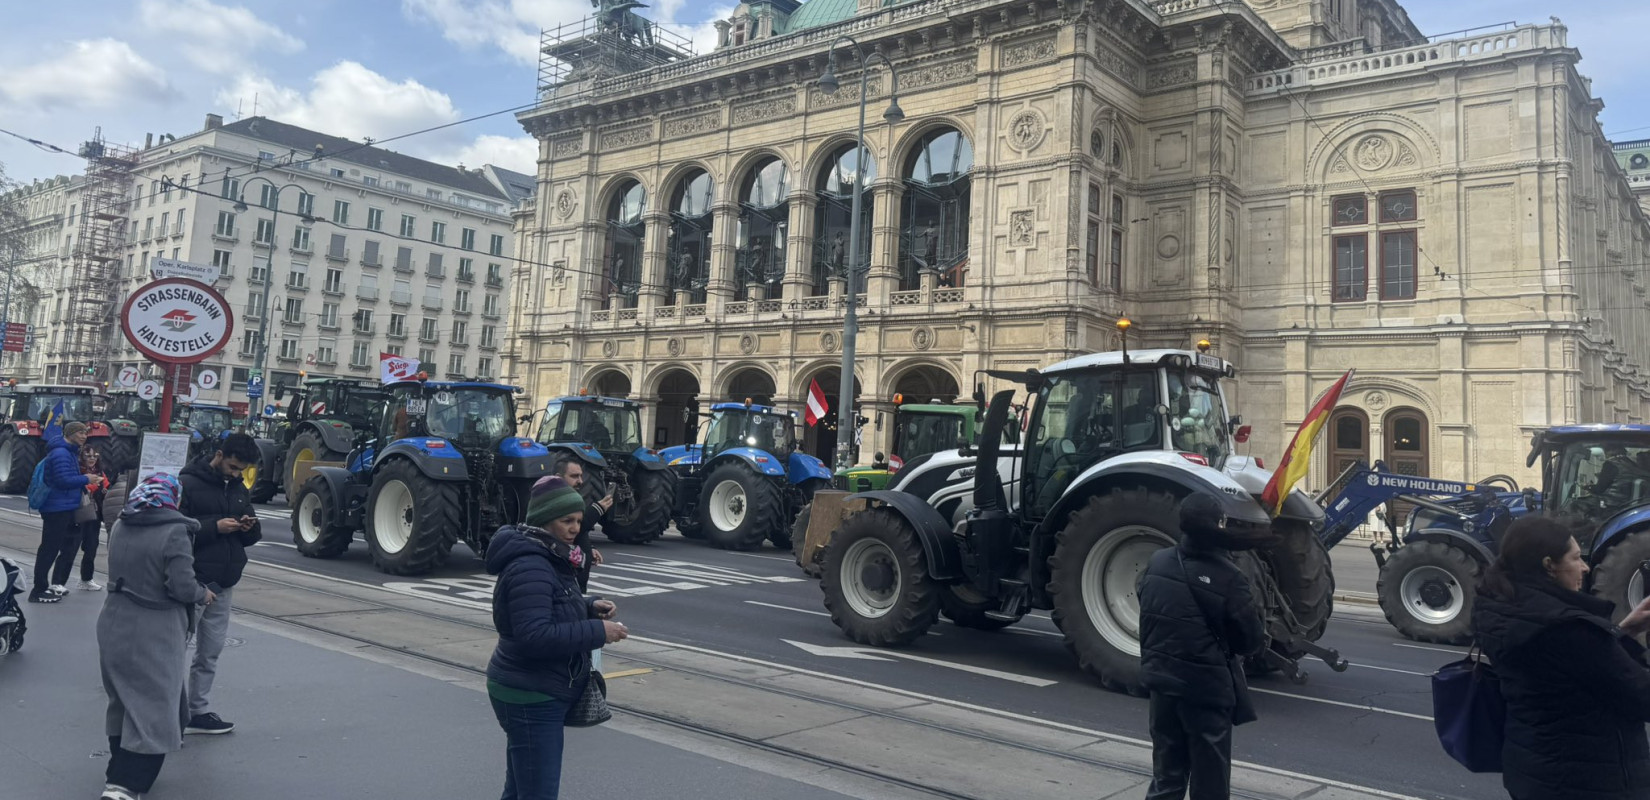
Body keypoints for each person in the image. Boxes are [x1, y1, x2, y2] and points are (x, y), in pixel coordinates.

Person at [1472, 516, 1650, 800]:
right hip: (1586, 781)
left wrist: (1623, 631)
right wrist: (1612, 639)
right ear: (1549, 565)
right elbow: (1642, 698)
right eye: (1577, 558)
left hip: (1534, 769)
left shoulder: (1502, 607)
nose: (1585, 567)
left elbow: (1575, 673)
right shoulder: (1568, 630)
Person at [487, 476, 628, 800]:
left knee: (522, 788)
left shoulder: (550, 556)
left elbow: (550, 608)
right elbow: (534, 635)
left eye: (579, 520)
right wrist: (597, 632)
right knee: (537, 793)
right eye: (567, 520)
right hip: (530, 694)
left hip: (531, 688)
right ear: (544, 520)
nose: (576, 528)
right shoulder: (532, 565)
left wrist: (589, 607)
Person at [1136, 493, 1265, 800]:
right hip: (1205, 694)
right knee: (1210, 785)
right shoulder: (1230, 578)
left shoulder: (1158, 562)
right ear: (1219, 526)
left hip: (1162, 688)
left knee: (1166, 778)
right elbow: (1249, 641)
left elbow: (1148, 601)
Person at [96, 473, 216, 800]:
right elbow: (180, 585)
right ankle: (124, 784)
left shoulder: (122, 523)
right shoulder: (175, 530)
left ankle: (117, 769)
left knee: (121, 699)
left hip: (113, 618)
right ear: (172, 498)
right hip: (153, 627)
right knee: (154, 705)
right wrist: (202, 594)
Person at [177, 432, 263, 736]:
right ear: (219, 455)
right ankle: (170, 712)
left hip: (224, 581)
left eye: (242, 470)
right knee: (175, 650)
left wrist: (248, 527)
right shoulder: (187, 483)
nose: (237, 473)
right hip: (194, 580)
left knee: (210, 651)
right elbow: (174, 530)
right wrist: (216, 526)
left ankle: (196, 711)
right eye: (233, 467)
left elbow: (252, 537)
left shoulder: (238, 488)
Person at [29, 421, 101, 603]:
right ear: (69, 434)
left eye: (85, 433)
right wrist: (86, 478)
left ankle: (48, 585)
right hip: (57, 507)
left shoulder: (67, 452)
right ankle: (39, 589)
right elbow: (62, 480)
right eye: (79, 433)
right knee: (50, 548)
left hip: (63, 506)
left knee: (57, 546)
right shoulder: (61, 453)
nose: (84, 436)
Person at [552, 459, 607, 592]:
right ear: (559, 478)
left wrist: (588, 547)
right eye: (574, 476)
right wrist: (597, 510)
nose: (581, 481)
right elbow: (562, 534)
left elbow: (577, 533)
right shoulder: (553, 503)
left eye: (581, 476)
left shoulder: (572, 500)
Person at [72, 446, 111, 591]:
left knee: (91, 547)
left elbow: (106, 485)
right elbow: (81, 487)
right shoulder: (77, 471)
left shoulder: (100, 472)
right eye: (88, 456)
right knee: (70, 549)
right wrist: (94, 485)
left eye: (95, 456)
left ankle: (86, 579)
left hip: (94, 514)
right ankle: (58, 581)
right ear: (82, 457)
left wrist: (104, 488)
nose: (92, 459)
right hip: (78, 513)